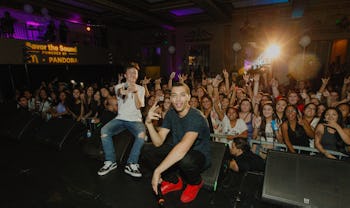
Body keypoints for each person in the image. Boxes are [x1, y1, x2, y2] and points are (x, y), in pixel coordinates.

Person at [143, 82, 211, 203]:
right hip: (179, 151)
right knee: (147, 150)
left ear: (189, 97)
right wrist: (148, 124)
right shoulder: (171, 113)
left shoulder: (196, 117)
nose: (178, 99)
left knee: (186, 159)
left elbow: (182, 149)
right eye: (174, 95)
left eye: (182, 95)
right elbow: (158, 142)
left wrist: (158, 171)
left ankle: (196, 183)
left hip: (198, 155)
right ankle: (174, 181)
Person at [97, 66, 146, 177]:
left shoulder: (141, 89)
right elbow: (121, 93)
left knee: (142, 134)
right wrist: (128, 89)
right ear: (125, 75)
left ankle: (132, 163)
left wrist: (135, 92)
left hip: (135, 120)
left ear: (137, 76)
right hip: (120, 119)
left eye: (135, 73)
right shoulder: (119, 86)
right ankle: (110, 161)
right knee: (104, 130)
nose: (133, 75)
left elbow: (139, 106)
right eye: (130, 73)